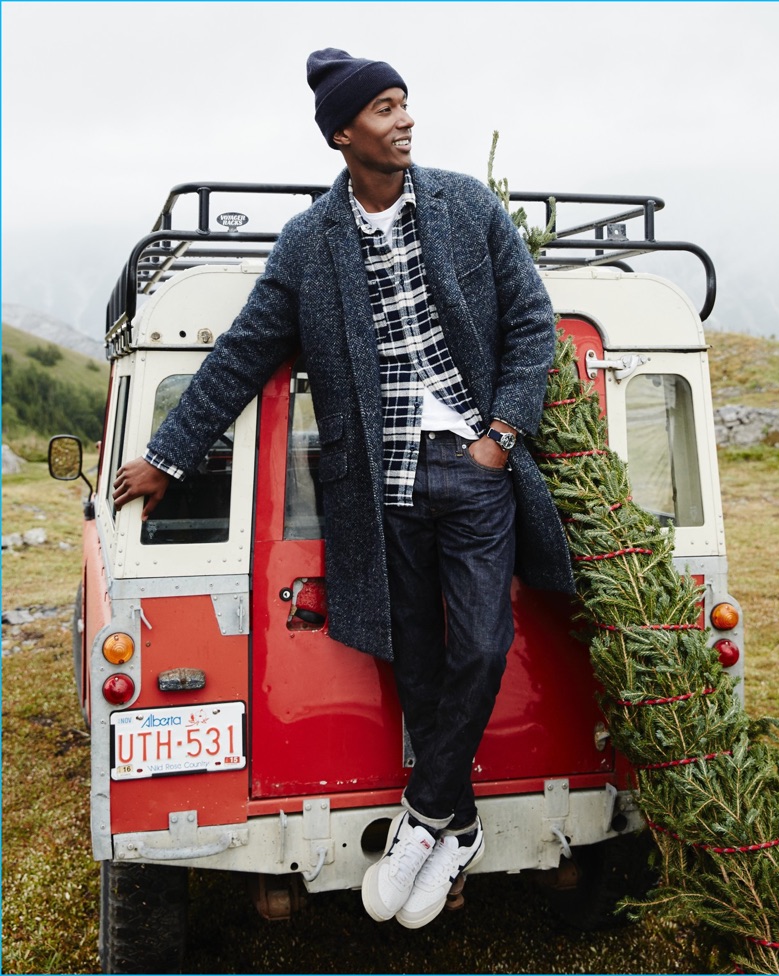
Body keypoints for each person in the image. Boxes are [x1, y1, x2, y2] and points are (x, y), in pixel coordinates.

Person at [112, 48, 574, 929]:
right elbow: (243, 354)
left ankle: (428, 814)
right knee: (418, 665)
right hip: (377, 487)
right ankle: (460, 822)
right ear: (343, 134)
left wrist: (500, 437)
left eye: (407, 104)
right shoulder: (309, 245)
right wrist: (168, 457)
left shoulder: (465, 206)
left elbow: (533, 322)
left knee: (481, 644)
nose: (405, 120)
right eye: (387, 109)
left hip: (472, 469)